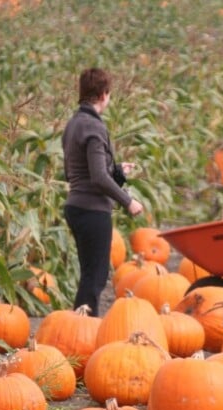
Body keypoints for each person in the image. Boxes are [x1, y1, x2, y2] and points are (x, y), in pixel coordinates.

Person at [61, 67, 144, 316]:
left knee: (90, 274)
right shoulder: (93, 128)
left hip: (76, 205)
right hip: (92, 210)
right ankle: (83, 328)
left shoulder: (73, 124)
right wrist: (128, 201)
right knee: (95, 277)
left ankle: (81, 325)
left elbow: (79, 172)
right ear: (103, 95)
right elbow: (97, 177)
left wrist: (117, 171)